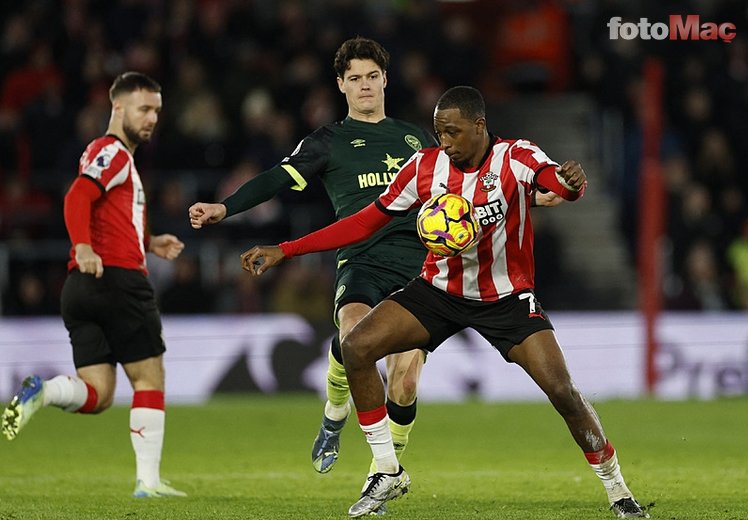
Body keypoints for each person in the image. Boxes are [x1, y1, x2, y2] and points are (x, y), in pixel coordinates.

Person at [240, 86, 648, 520]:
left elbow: (553, 184)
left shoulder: (515, 157)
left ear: (479, 126)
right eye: (438, 133)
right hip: (438, 292)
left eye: (453, 132)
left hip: (506, 298)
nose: (445, 143)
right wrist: (287, 249)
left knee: (563, 392)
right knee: (356, 346)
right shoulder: (425, 167)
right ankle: (386, 469)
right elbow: (363, 222)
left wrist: (570, 184)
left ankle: (618, 490)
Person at [188, 38, 577, 489]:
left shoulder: (417, 138)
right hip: (362, 261)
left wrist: (536, 195)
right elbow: (277, 177)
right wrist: (226, 207)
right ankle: (336, 409)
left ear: (385, 80)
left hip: (420, 265)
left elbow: (474, 185)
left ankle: (384, 471)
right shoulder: (328, 141)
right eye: (354, 78)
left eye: (372, 76)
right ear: (341, 85)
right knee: (355, 333)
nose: (365, 85)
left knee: (405, 384)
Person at [1, 72, 187, 499]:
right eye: (144, 108)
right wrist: (83, 246)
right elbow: (76, 197)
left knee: (99, 394)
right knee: (149, 378)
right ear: (117, 108)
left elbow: (109, 217)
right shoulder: (114, 152)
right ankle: (149, 482)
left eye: (157, 110)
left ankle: (43, 392)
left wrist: (149, 241)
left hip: (81, 289)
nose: (152, 118)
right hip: (117, 281)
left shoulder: (109, 157)